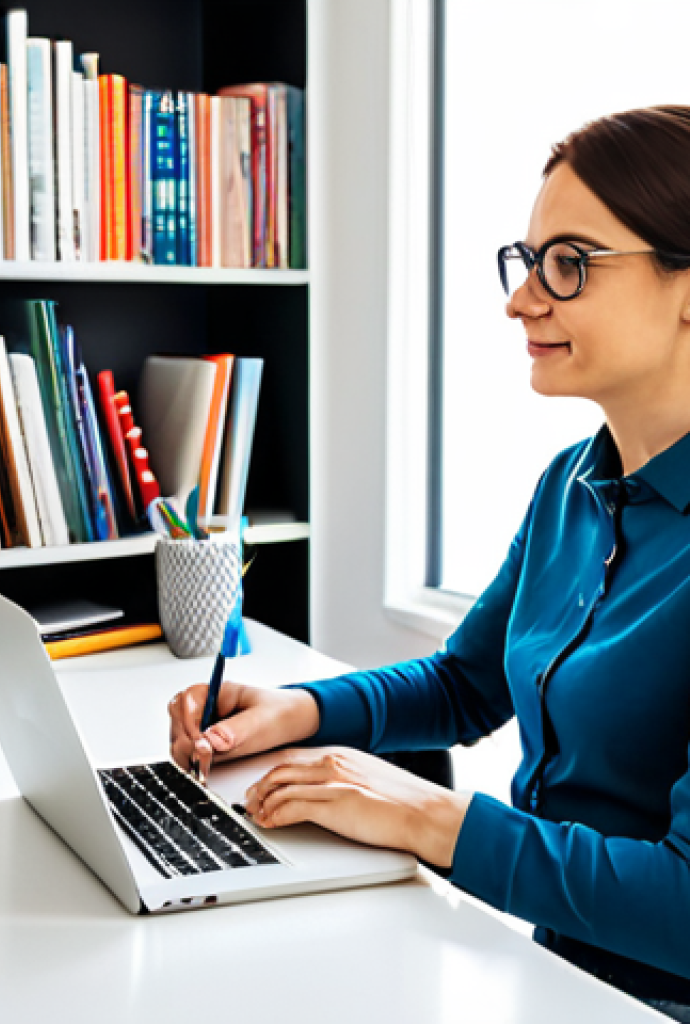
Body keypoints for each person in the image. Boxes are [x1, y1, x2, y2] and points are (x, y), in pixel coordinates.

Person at [168, 106, 690, 1021]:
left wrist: (428, 818)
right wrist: (300, 710)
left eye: (569, 264)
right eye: (527, 263)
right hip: (551, 973)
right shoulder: (569, 485)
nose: (522, 299)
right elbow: (465, 684)